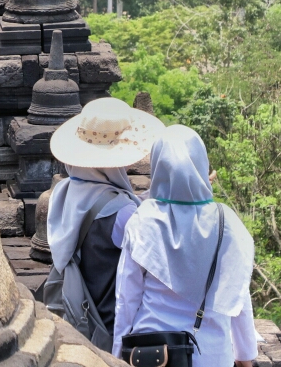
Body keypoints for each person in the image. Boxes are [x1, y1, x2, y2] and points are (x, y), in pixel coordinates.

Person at [114, 125, 258, 367]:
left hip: (152, 354)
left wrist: (117, 352)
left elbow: (126, 299)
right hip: (212, 354)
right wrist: (245, 356)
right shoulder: (226, 221)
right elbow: (238, 295)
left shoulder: (143, 220)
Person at [44, 97, 166, 350]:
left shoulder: (64, 191)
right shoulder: (121, 211)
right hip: (108, 324)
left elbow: (123, 209)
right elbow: (153, 246)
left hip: (79, 310)